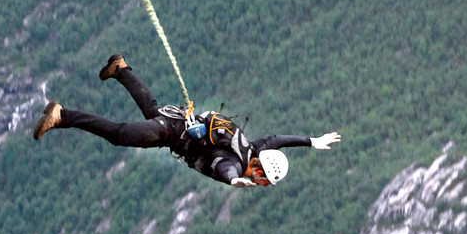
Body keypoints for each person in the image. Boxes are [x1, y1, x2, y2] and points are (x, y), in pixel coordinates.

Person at [33, 54, 341, 186]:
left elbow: (277, 140)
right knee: (118, 134)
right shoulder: (236, 164)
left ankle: (120, 69)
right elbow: (224, 169)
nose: (260, 183)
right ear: (259, 170)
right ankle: (63, 115)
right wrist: (233, 180)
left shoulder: (252, 148)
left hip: (177, 121)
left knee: (150, 109)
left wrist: (311, 141)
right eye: (263, 179)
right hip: (169, 132)